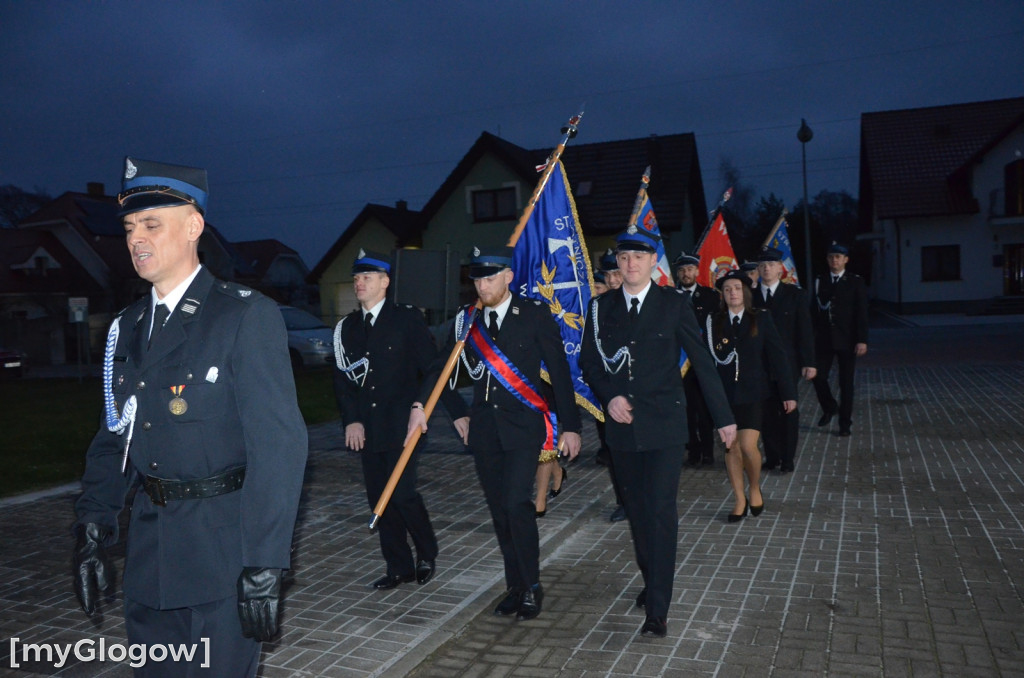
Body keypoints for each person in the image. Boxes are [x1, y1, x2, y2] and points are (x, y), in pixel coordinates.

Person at [73, 157, 308, 676]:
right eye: (131, 227)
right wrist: (93, 526)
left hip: (224, 552)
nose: (137, 238)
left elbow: (279, 447)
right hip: (151, 552)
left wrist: (266, 562)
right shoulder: (127, 326)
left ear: (194, 226)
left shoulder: (244, 315)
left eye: (152, 224)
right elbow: (115, 437)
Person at [408, 246, 582, 621]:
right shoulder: (468, 319)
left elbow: (561, 373)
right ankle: (514, 585)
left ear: (508, 277)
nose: (482, 286)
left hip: (524, 427)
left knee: (516, 504)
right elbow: (441, 365)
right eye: (477, 279)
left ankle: (532, 585)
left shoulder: (534, 315)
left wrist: (572, 426)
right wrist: (420, 405)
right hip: (485, 430)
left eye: (489, 278)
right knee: (499, 511)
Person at [580, 225, 737, 639]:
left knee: (662, 512)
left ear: (653, 263)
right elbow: (590, 363)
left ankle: (658, 607)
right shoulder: (601, 309)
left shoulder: (671, 305)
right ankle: (651, 581)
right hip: (623, 429)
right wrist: (610, 396)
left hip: (666, 425)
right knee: (638, 513)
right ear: (618, 262)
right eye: (624, 258)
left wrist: (724, 418)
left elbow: (702, 360)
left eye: (639, 258)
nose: (630, 264)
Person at [333, 250, 466, 590]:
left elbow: (432, 367)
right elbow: (344, 382)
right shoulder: (347, 328)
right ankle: (398, 565)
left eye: (367, 277)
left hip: (404, 424)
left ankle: (426, 553)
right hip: (369, 428)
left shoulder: (405, 319)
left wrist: (449, 410)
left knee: (403, 493)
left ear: (385, 282)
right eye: (357, 278)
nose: (359, 283)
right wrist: (352, 420)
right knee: (379, 496)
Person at [707, 270, 796, 523]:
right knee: (730, 447)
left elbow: (779, 357)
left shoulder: (762, 319)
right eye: (727, 289)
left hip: (754, 392)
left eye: (736, 288)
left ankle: (754, 486)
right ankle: (739, 498)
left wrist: (788, 393)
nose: (732, 293)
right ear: (722, 295)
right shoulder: (714, 321)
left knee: (747, 446)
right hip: (725, 395)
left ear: (745, 292)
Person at [754, 247, 816, 473]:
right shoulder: (751, 295)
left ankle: (787, 458)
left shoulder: (795, 295)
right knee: (767, 412)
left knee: (788, 410)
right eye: (762, 265)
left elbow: (805, 330)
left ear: (780, 268)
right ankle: (772, 456)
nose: (766, 268)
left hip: (788, 364)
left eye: (771, 264)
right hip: (760, 365)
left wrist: (810, 361)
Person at [811, 242, 869, 436]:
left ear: (846, 260)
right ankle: (829, 406)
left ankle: (845, 424)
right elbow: (815, 310)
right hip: (824, 339)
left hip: (847, 339)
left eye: (838, 257)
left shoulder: (855, 281)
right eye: (831, 257)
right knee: (817, 376)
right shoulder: (820, 280)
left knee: (846, 383)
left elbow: (862, 312)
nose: (834, 260)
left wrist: (862, 339)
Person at [673, 251, 720, 467]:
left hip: (702, 363)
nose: (686, 273)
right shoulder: (670, 297)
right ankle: (692, 452)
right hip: (680, 364)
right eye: (682, 270)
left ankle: (708, 452)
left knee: (704, 410)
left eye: (690, 269)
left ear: (697, 271)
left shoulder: (711, 296)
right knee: (686, 411)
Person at [594, 250, 627, 522]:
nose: (613, 279)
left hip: (641, 391)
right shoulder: (599, 307)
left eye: (617, 272)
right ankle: (624, 500)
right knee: (614, 448)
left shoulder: (642, 302)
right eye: (608, 274)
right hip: (607, 391)